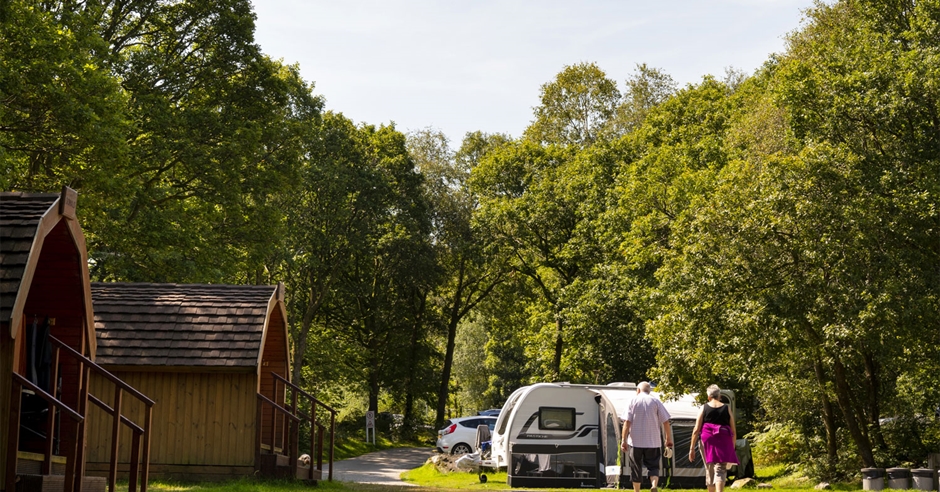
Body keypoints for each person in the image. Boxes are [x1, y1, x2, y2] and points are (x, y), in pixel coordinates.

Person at [621, 382, 673, 492]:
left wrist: (623, 440)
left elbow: (627, 422)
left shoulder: (632, 401)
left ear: (638, 390)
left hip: (635, 442)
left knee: (636, 467)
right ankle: (654, 485)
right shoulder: (655, 401)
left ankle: (637, 490)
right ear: (648, 391)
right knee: (653, 466)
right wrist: (668, 439)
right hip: (653, 442)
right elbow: (666, 422)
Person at [689, 384, 739, 492]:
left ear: (708, 397)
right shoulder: (727, 408)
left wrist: (692, 448)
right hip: (724, 439)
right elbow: (733, 431)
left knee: (709, 467)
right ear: (719, 396)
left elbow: (696, 429)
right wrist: (732, 447)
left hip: (707, 440)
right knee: (721, 468)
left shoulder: (704, 408)